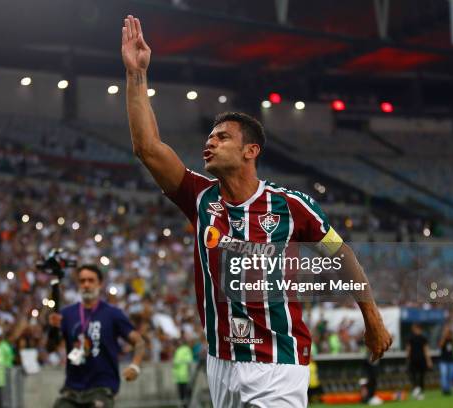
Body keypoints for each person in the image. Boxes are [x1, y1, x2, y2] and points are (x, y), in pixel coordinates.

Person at [121, 14, 392, 407]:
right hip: (222, 363)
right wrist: (136, 75)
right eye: (210, 137)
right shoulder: (200, 198)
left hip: (278, 362)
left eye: (223, 137)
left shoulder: (292, 206)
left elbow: (341, 256)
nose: (209, 143)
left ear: (251, 151)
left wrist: (373, 318)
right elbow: (148, 149)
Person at [48, 265, 145, 408]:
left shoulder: (113, 314)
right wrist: (52, 329)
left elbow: (139, 341)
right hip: (73, 389)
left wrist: (135, 366)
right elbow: (51, 347)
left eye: (90, 280)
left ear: (100, 284)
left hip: (102, 387)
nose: (86, 284)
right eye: (82, 281)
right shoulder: (67, 314)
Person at [406, 323, 431, 400]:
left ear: (418, 328)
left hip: (421, 359)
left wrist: (428, 360)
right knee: (413, 375)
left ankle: (419, 391)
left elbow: (426, 349)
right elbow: (409, 349)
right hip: (414, 359)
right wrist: (408, 357)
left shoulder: (423, 338)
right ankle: (416, 389)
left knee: (421, 376)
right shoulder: (411, 338)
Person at [172, 334, 193, 408]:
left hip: (185, 377)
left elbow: (189, 360)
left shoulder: (186, 349)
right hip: (178, 377)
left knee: (186, 396)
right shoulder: (178, 350)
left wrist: (179, 361)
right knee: (181, 396)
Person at [438, 325, 453, 395]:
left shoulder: (452, 339)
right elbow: (440, 346)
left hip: (451, 360)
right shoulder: (442, 338)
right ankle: (445, 389)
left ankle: (449, 388)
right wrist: (444, 337)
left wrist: (452, 337)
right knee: (444, 374)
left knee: (450, 375)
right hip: (443, 360)